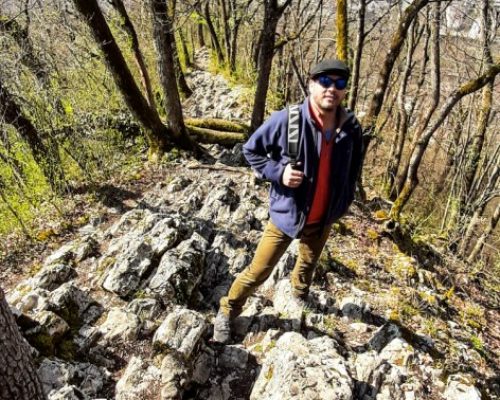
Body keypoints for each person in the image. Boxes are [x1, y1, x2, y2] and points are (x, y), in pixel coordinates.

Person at [213, 59, 364, 344]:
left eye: (340, 83)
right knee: (258, 271)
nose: (332, 88)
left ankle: (299, 293)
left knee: (308, 262)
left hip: (324, 218)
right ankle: (227, 310)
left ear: (344, 91)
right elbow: (251, 150)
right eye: (325, 82)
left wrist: (345, 200)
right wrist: (278, 173)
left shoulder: (351, 127)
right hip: (287, 215)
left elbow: (355, 167)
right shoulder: (289, 120)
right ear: (311, 84)